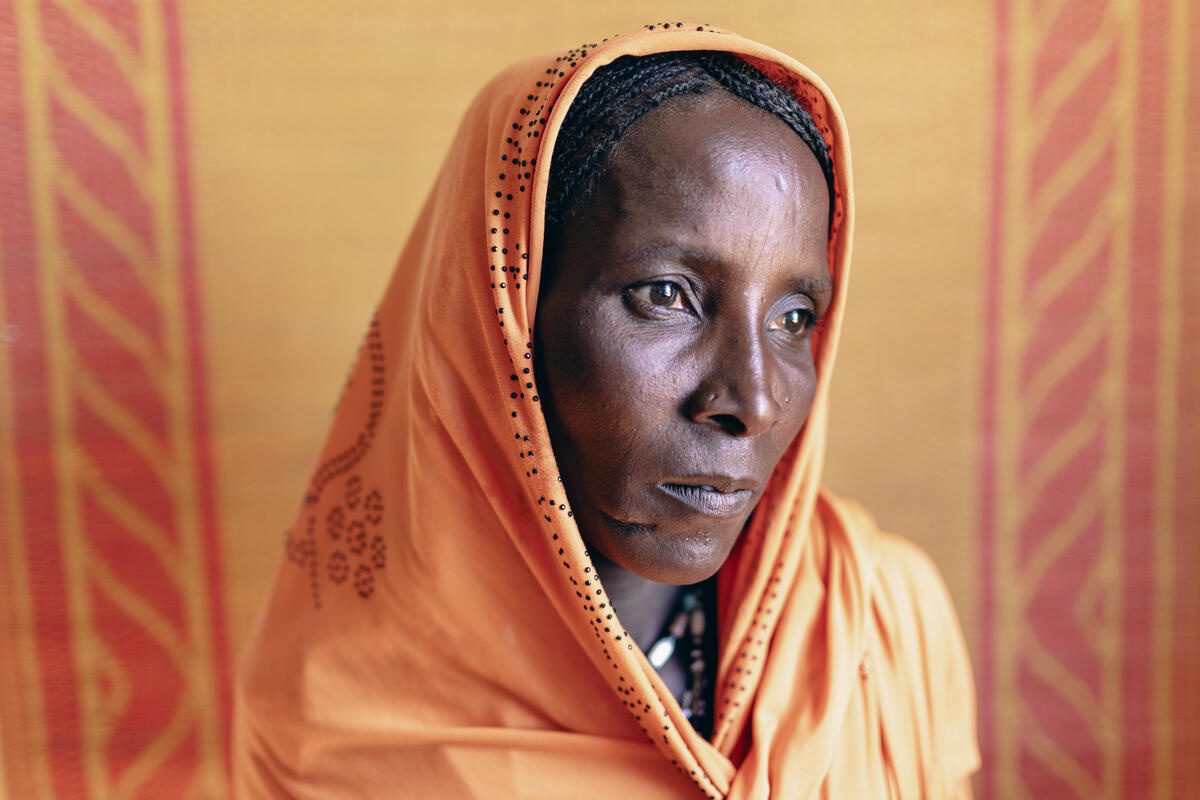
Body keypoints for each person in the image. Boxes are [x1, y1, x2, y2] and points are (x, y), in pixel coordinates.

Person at [234, 23, 980, 799]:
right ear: (504, 319)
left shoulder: (877, 619)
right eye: (666, 296)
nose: (753, 402)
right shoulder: (332, 743)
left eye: (793, 317)